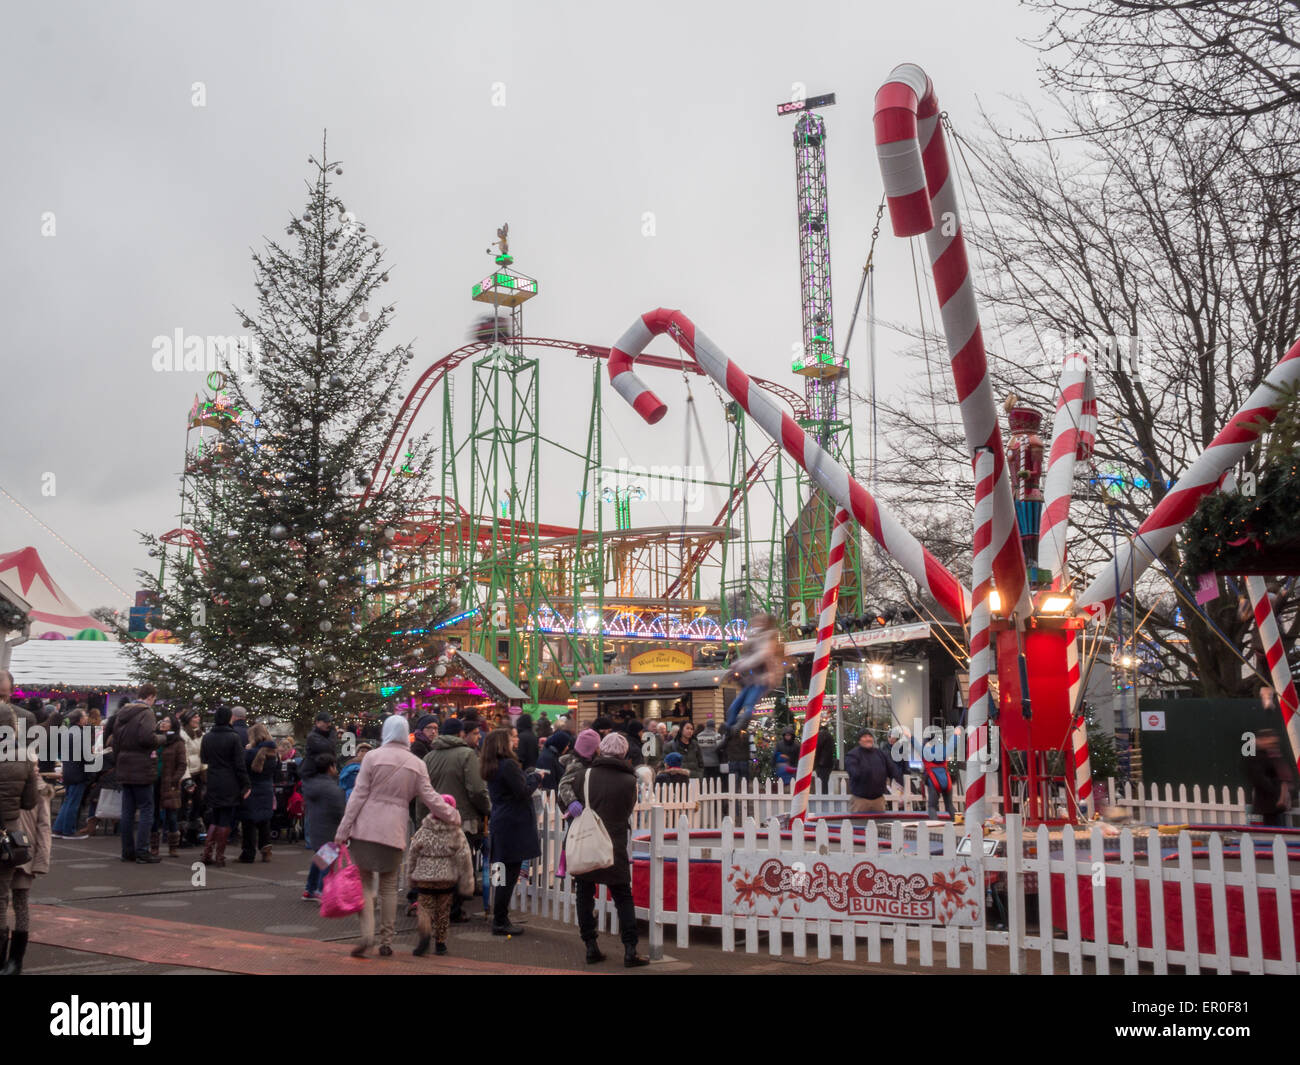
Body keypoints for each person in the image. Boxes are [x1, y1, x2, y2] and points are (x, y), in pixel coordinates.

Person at [334, 715, 459, 958]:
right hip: (394, 831)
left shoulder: (372, 757)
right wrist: (452, 814)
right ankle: (387, 940)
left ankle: (367, 934)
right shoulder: (416, 764)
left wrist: (343, 830)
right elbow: (431, 798)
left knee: (365, 885)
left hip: (365, 829)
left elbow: (357, 796)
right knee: (389, 888)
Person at [570, 731, 649, 967]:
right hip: (614, 844)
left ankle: (591, 946)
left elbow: (572, 799)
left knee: (584, 894)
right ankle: (630, 950)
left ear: (601, 750)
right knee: (623, 897)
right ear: (624, 753)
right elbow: (627, 811)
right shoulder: (630, 782)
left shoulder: (584, 775)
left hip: (588, 842)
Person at [424, 718, 490, 923]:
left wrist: (421, 818)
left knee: (439, 863)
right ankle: (453, 909)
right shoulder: (467, 755)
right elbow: (477, 789)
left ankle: (437, 907)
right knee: (460, 864)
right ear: (461, 734)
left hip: (434, 817)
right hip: (462, 817)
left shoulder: (428, 757)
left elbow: (422, 790)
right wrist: (486, 809)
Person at [481, 727, 540, 937]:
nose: (515, 740)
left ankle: (499, 915)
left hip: (500, 821)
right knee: (509, 873)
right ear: (502, 743)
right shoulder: (509, 765)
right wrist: (536, 778)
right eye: (511, 738)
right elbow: (523, 792)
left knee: (500, 872)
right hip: (513, 824)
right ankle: (500, 919)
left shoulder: (491, 765)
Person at [407, 797, 475, 957]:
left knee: (424, 909)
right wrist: (467, 884)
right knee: (443, 911)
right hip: (446, 879)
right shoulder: (456, 832)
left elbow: (412, 854)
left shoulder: (423, 831)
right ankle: (440, 943)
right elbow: (465, 860)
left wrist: (410, 876)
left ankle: (424, 934)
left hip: (424, 878)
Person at [0, 704, 39, 975]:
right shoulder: (24, 756)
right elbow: (29, 802)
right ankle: (8, 964)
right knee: (3, 898)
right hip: (10, 834)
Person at [107, 683, 163, 864]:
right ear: (151, 696)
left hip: (124, 765)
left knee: (127, 811)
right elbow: (147, 738)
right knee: (147, 809)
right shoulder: (146, 713)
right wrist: (162, 738)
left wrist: (119, 760)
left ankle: (127, 851)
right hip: (141, 766)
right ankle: (142, 850)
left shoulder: (122, 714)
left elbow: (114, 740)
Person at [199, 706, 252, 866]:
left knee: (215, 816)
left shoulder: (207, 737)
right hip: (230, 781)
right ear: (229, 718)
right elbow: (239, 764)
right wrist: (246, 783)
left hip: (213, 779)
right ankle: (220, 856)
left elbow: (204, 758)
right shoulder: (233, 737)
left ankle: (207, 852)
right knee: (226, 818)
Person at [723, 613, 785, 731]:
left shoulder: (767, 638)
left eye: (759, 621)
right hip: (752, 679)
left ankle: (740, 723)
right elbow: (748, 656)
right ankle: (729, 726)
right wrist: (737, 665)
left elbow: (761, 655)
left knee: (749, 702)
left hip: (763, 678)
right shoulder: (754, 637)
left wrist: (742, 665)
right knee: (735, 705)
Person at [302, 753, 346, 900]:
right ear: (330, 768)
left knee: (320, 859)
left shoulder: (311, 785)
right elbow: (341, 812)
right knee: (327, 862)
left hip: (315, 828)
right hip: (330, 830)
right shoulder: (333, 789)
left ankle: (310, 888)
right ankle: (322, 890)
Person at [238, 723, 279, 863]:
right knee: (264, 820)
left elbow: (242, 769)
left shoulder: (249, 753)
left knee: (248, 821)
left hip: (252, 788)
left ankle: (248, 853)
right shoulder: (274, 753)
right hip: (266, 788)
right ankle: (266, 849)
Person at [1245, 728, 1296, 827]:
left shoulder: (1274, 755)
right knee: (1270, 832)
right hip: (1267, 804)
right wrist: (1277, 790)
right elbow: (1259, 778)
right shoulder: (1257, 757)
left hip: (1277, 804)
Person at [844, 730, 904, 813]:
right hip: (860, 801)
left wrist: (901, 783)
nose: (868, 739)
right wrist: (867, 771)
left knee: (880, 825)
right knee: (859, 824)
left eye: (870, 736)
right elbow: (853, 771)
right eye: (864, 737)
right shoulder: (853, 755)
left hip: (878, 800)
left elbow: (893, 770)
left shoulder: (881, 754)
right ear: (859, 740)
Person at [154, 714, 189, 857]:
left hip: (170, 783)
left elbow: (182, 764)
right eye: (163, 720)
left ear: (173, 725)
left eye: (167, 721)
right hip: (155, 781)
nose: (163, 723)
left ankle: (173, 846)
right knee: (153, 814)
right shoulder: (155, 739)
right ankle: (154, 846)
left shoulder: (177, 743)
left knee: (171, 815)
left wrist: (175, 780)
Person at [51, 708, 88, 838]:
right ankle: (68, 830)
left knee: (68, 801)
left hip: (68, 770)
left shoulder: (66, 733)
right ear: (80, 719)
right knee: (73, 803)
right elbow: (85, 756)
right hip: (78, 772)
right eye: (84, 716)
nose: (86, 717)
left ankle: (58, 828)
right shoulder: (81, 734)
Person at [558, 728, 601, 811]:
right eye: (597, 747)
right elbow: (564, 783)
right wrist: (571, 801)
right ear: (590, 749)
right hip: (578, 808)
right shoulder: (577, 765)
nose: (599, 749)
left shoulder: (586, 762)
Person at [301, 712, 336, 779]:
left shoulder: (328, 735)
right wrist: (332, 734)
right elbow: (326, 748)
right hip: (314, 773)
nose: (328, 724)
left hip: (326, 771)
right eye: (325, 722)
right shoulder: (312, 737)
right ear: (317, 722)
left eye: (329, 722)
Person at [814, 725, 836, 794]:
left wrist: (815, 761)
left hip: (821, 763)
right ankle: (824, 795)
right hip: (828, 763)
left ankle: (823, 795)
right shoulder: (830, 736)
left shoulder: (821, 735)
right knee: (825, 781)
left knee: (822, 782)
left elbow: (817, 748)